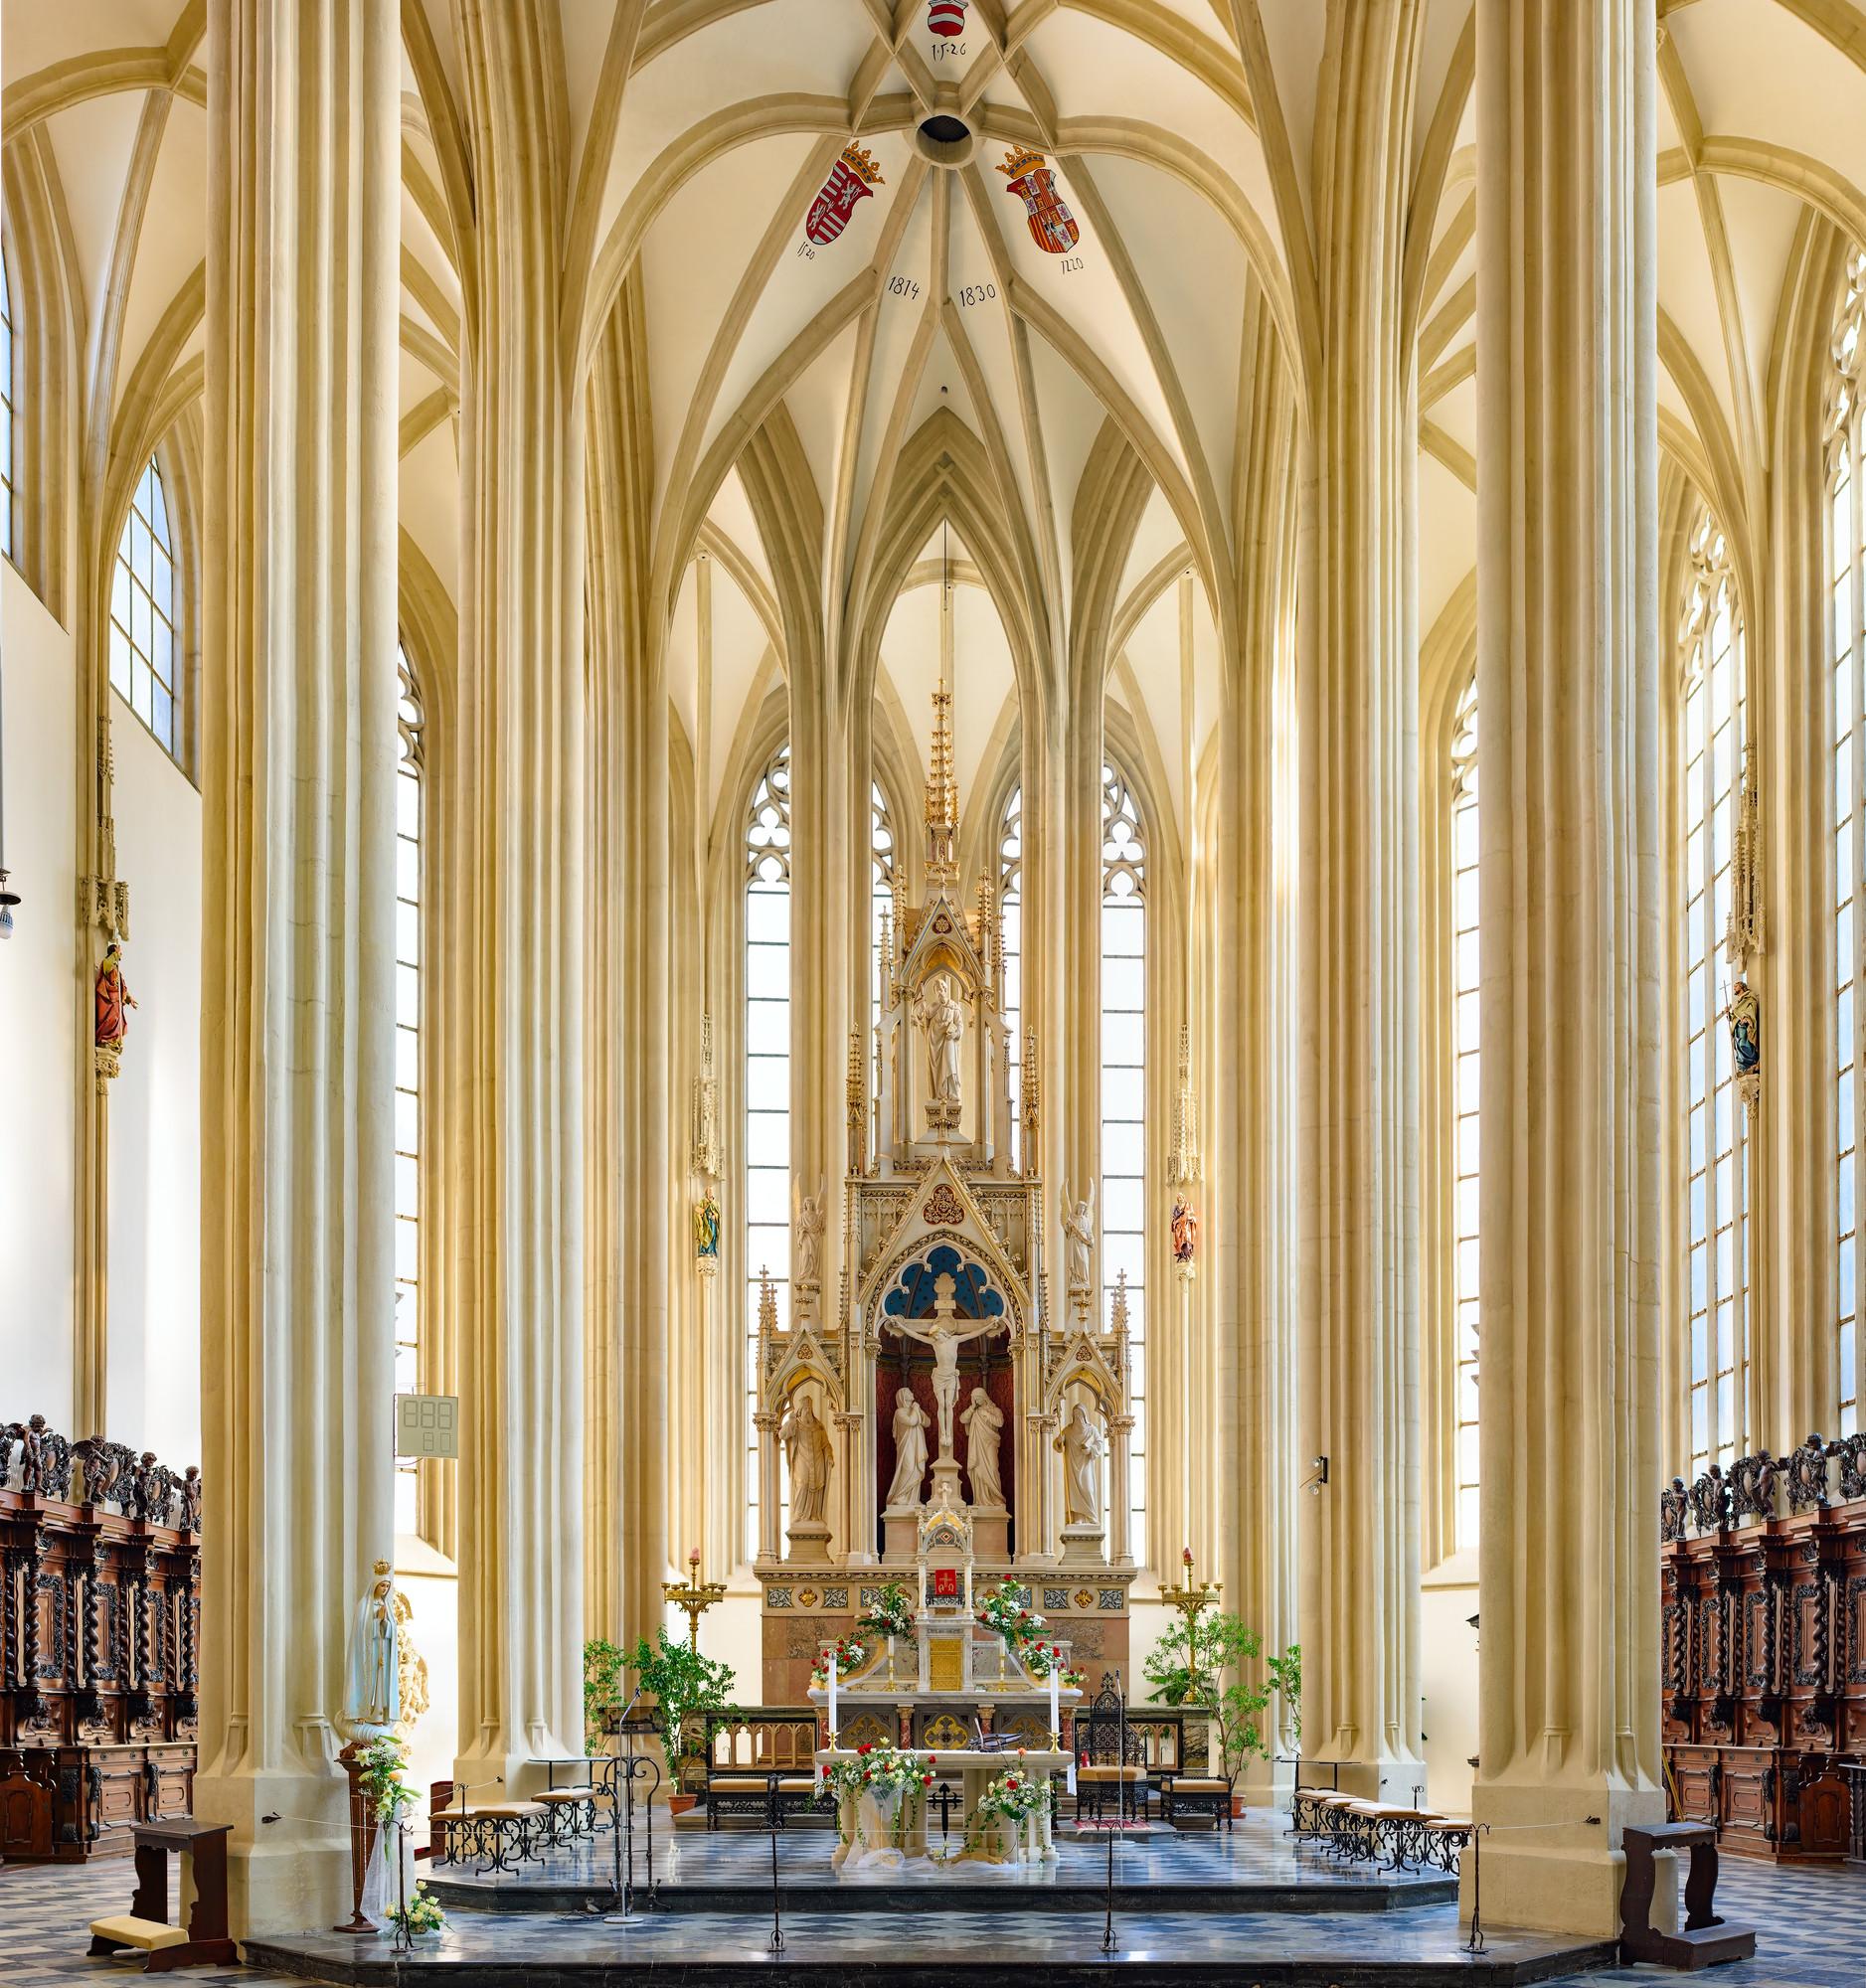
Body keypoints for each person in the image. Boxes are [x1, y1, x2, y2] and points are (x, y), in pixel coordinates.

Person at [886, 1388, 931, 1508]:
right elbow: (912, 1421)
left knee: (916, 1469)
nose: (912, 1393)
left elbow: (927, 1422)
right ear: (903, 1396)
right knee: (909, 1468)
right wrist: (915, 1409)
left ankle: (913, 1499)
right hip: (907, 1446)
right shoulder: (899, 1412)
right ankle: (899, 1496)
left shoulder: (914, 1410)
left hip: (917, 1445)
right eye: (909, 1392)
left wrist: (919, 1410)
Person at [961, 1387, 1005, 1508]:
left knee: (992, 1468)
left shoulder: (995, 1410)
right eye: (974, 1399)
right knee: (978, 1470)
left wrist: (987, 1414)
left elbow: (1000, 1422)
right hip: (977, 1445)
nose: (976, 1400)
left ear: (984, 1397)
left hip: (990, 1444)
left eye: (978, 1398)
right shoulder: (973, 1411)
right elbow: (963, 1419)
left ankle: (996, 1498)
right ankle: (980, 1500)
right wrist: (972, 1408)